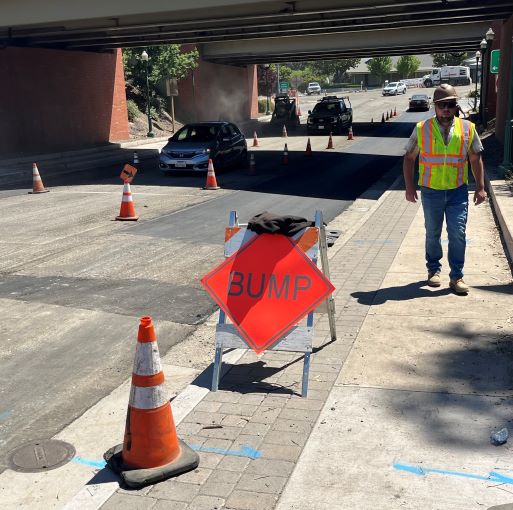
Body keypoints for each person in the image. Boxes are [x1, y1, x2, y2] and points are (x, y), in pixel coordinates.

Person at [403, 83, 486, 295]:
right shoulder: (422, 129)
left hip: (458, 191)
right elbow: (409, 158)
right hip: (431, 191)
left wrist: (480, 187)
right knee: (433, 233)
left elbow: (475, 158)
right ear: (435, 107)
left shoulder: (468, 128)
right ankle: (433, 271)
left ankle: (457, 276)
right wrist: (410, 187)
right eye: (442, 105)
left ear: (456, 106)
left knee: (458, 232)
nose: (446, 109)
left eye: (450, 104)